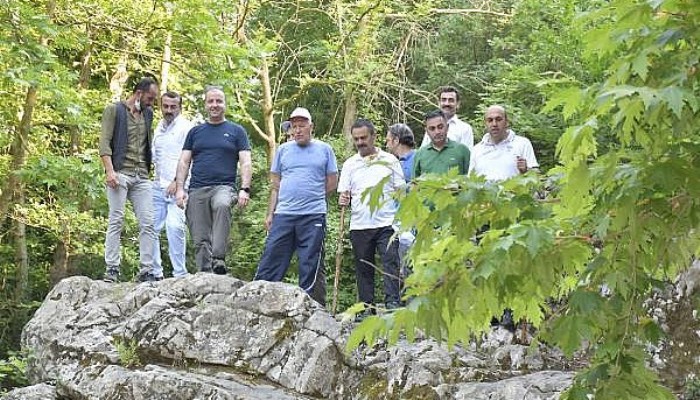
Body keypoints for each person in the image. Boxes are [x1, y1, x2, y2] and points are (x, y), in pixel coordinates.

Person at [254, 107, 338, 305]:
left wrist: (311, 195)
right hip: (284, 213)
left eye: (302, 126)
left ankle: (312, 306)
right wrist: (270, 213)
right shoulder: (283, 150)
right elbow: (275, 184)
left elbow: (332, 182)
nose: (298, 130)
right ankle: (260, 299)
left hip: (313, 215)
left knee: (311, 261)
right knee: (272, 255)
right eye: (294, 126)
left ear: (311, 127)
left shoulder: (324, 149)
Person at [174, 86, 252, 274]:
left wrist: (245, 188)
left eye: (218, 101)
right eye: (211, 101)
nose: (215, 105)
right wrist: (179, 189)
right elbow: (184, 161)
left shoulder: (236, 131)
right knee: (199, 236)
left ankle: (218, 258)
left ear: (224, 104)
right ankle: (205, 273)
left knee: (223, 205)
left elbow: (246, 161)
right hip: (197, 189)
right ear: (205, 104)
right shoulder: (195, 132)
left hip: (224, 186)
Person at [339, 119, 405, 314]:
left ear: (374, 136)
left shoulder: (390, 160)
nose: (360, 142)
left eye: (363, 138)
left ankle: (392, 302)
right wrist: (344, 198)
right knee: (363, 267)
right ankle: (367, 306)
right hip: (360, 224)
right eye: (356, 139)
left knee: (390, 263)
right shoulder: (350, 164)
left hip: (387, 222)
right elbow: (344, 194)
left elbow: (401, 191)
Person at [99, 77, 159, 283]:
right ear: (139, 93)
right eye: (150, 98)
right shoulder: (114, 110)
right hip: (120, 173)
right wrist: (109, 171)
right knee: (116, 219)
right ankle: (112, 268)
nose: (152, 103)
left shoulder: (148, 114)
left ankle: (147, 270)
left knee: (148, 222)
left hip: (142, 175)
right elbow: (104, 143)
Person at [151, 91, 193, 279]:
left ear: (180, 107)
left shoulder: (187, 128)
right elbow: (155, 157)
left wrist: (178, 182)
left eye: (173, 107)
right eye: (165, 106)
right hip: (157, 186)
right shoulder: (158, 128)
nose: (169, 110)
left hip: (180, 187)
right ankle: (154, 272)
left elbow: (191, 158)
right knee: (149, 228)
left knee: (174, 227)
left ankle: (179, 274)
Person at [468, 105, 538, 180]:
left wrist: (526, 170)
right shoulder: (476, 150)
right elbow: (470, 180)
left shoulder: (522, 143)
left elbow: (536, 176)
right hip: (485, 191)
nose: (494, 124)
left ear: (506, 122)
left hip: (513, 191)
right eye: (490, 120)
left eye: (498, 119)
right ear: (485, 124)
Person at [413, 110, 470, 178]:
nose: (437, 132)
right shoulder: (420, 154)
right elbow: (414, 183)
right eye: (432, 128)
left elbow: (469, 179)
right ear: (427, 131)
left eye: (440, 127)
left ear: (447, 127)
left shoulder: (462, 150)